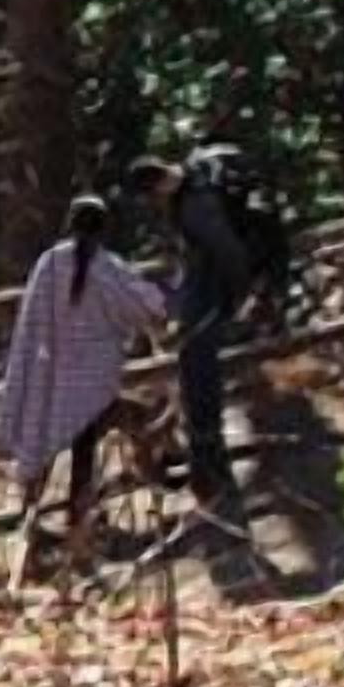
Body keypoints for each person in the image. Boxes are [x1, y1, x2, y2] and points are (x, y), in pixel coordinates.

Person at [0, 194, 167, 580]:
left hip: (55, 377)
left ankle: (34, 520)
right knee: (86, 452)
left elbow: (31, 321)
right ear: (104, 228)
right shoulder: (109, 267)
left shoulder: (49, 264)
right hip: (97, 381)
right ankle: (79, 522)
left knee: (46, 449)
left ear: (70, 224)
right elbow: (144, 305)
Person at [129, 152, 261, 528]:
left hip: (217, 297)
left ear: (157, 185)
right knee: (194, 378)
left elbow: (227, 253)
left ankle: (211, 470)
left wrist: (238, 300)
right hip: (207, 293)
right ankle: (208, 466)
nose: (155, 206)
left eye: (152, 197)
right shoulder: (194, 185)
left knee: (200, 379)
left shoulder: (196, 207)